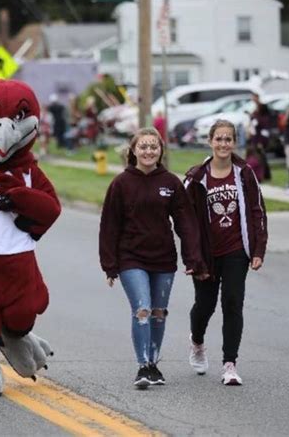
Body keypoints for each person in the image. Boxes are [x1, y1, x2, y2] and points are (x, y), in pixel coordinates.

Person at [99, 127, 207, 389]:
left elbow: (186, 223)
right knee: (142, 310)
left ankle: (154, 364)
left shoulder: (170, 182)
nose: (148, 151)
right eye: (143, 146)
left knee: (159, 313)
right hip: (130, 258)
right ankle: (143, 365)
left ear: (160, 151)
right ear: (133, 151)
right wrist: (110, 265)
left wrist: (194, 259)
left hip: (163, 259)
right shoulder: (121, 184)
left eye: (153, 147)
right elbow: (109, 225)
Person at [184, 119, 268, 386]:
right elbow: (184, 221)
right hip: (206, 255)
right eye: (218, 139)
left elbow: (258, 211)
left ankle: (229, 364)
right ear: (210, 141)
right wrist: (191, 256)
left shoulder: (244, 173)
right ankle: (197, 342)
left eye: (228, 139)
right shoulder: (197, 177)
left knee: (232, 303)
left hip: (236, 251)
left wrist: (258, 249)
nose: (223, 144)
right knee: (204, 307)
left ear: (234, 142)